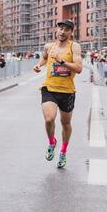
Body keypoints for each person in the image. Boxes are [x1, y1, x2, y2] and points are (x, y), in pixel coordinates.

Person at [33, 19, 83, 169]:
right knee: (49, 119)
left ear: (71, 32)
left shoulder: (74, 47)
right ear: (57, 30)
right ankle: (51, 142)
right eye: (60, 29)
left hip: (67, 91)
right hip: (49, 88)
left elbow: (79, 68)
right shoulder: (49, 46)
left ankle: (63, 152)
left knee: (65, 123)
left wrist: (61, 61)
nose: (62, 32)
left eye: (66, 29)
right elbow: (44, 58)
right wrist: (38, 65)